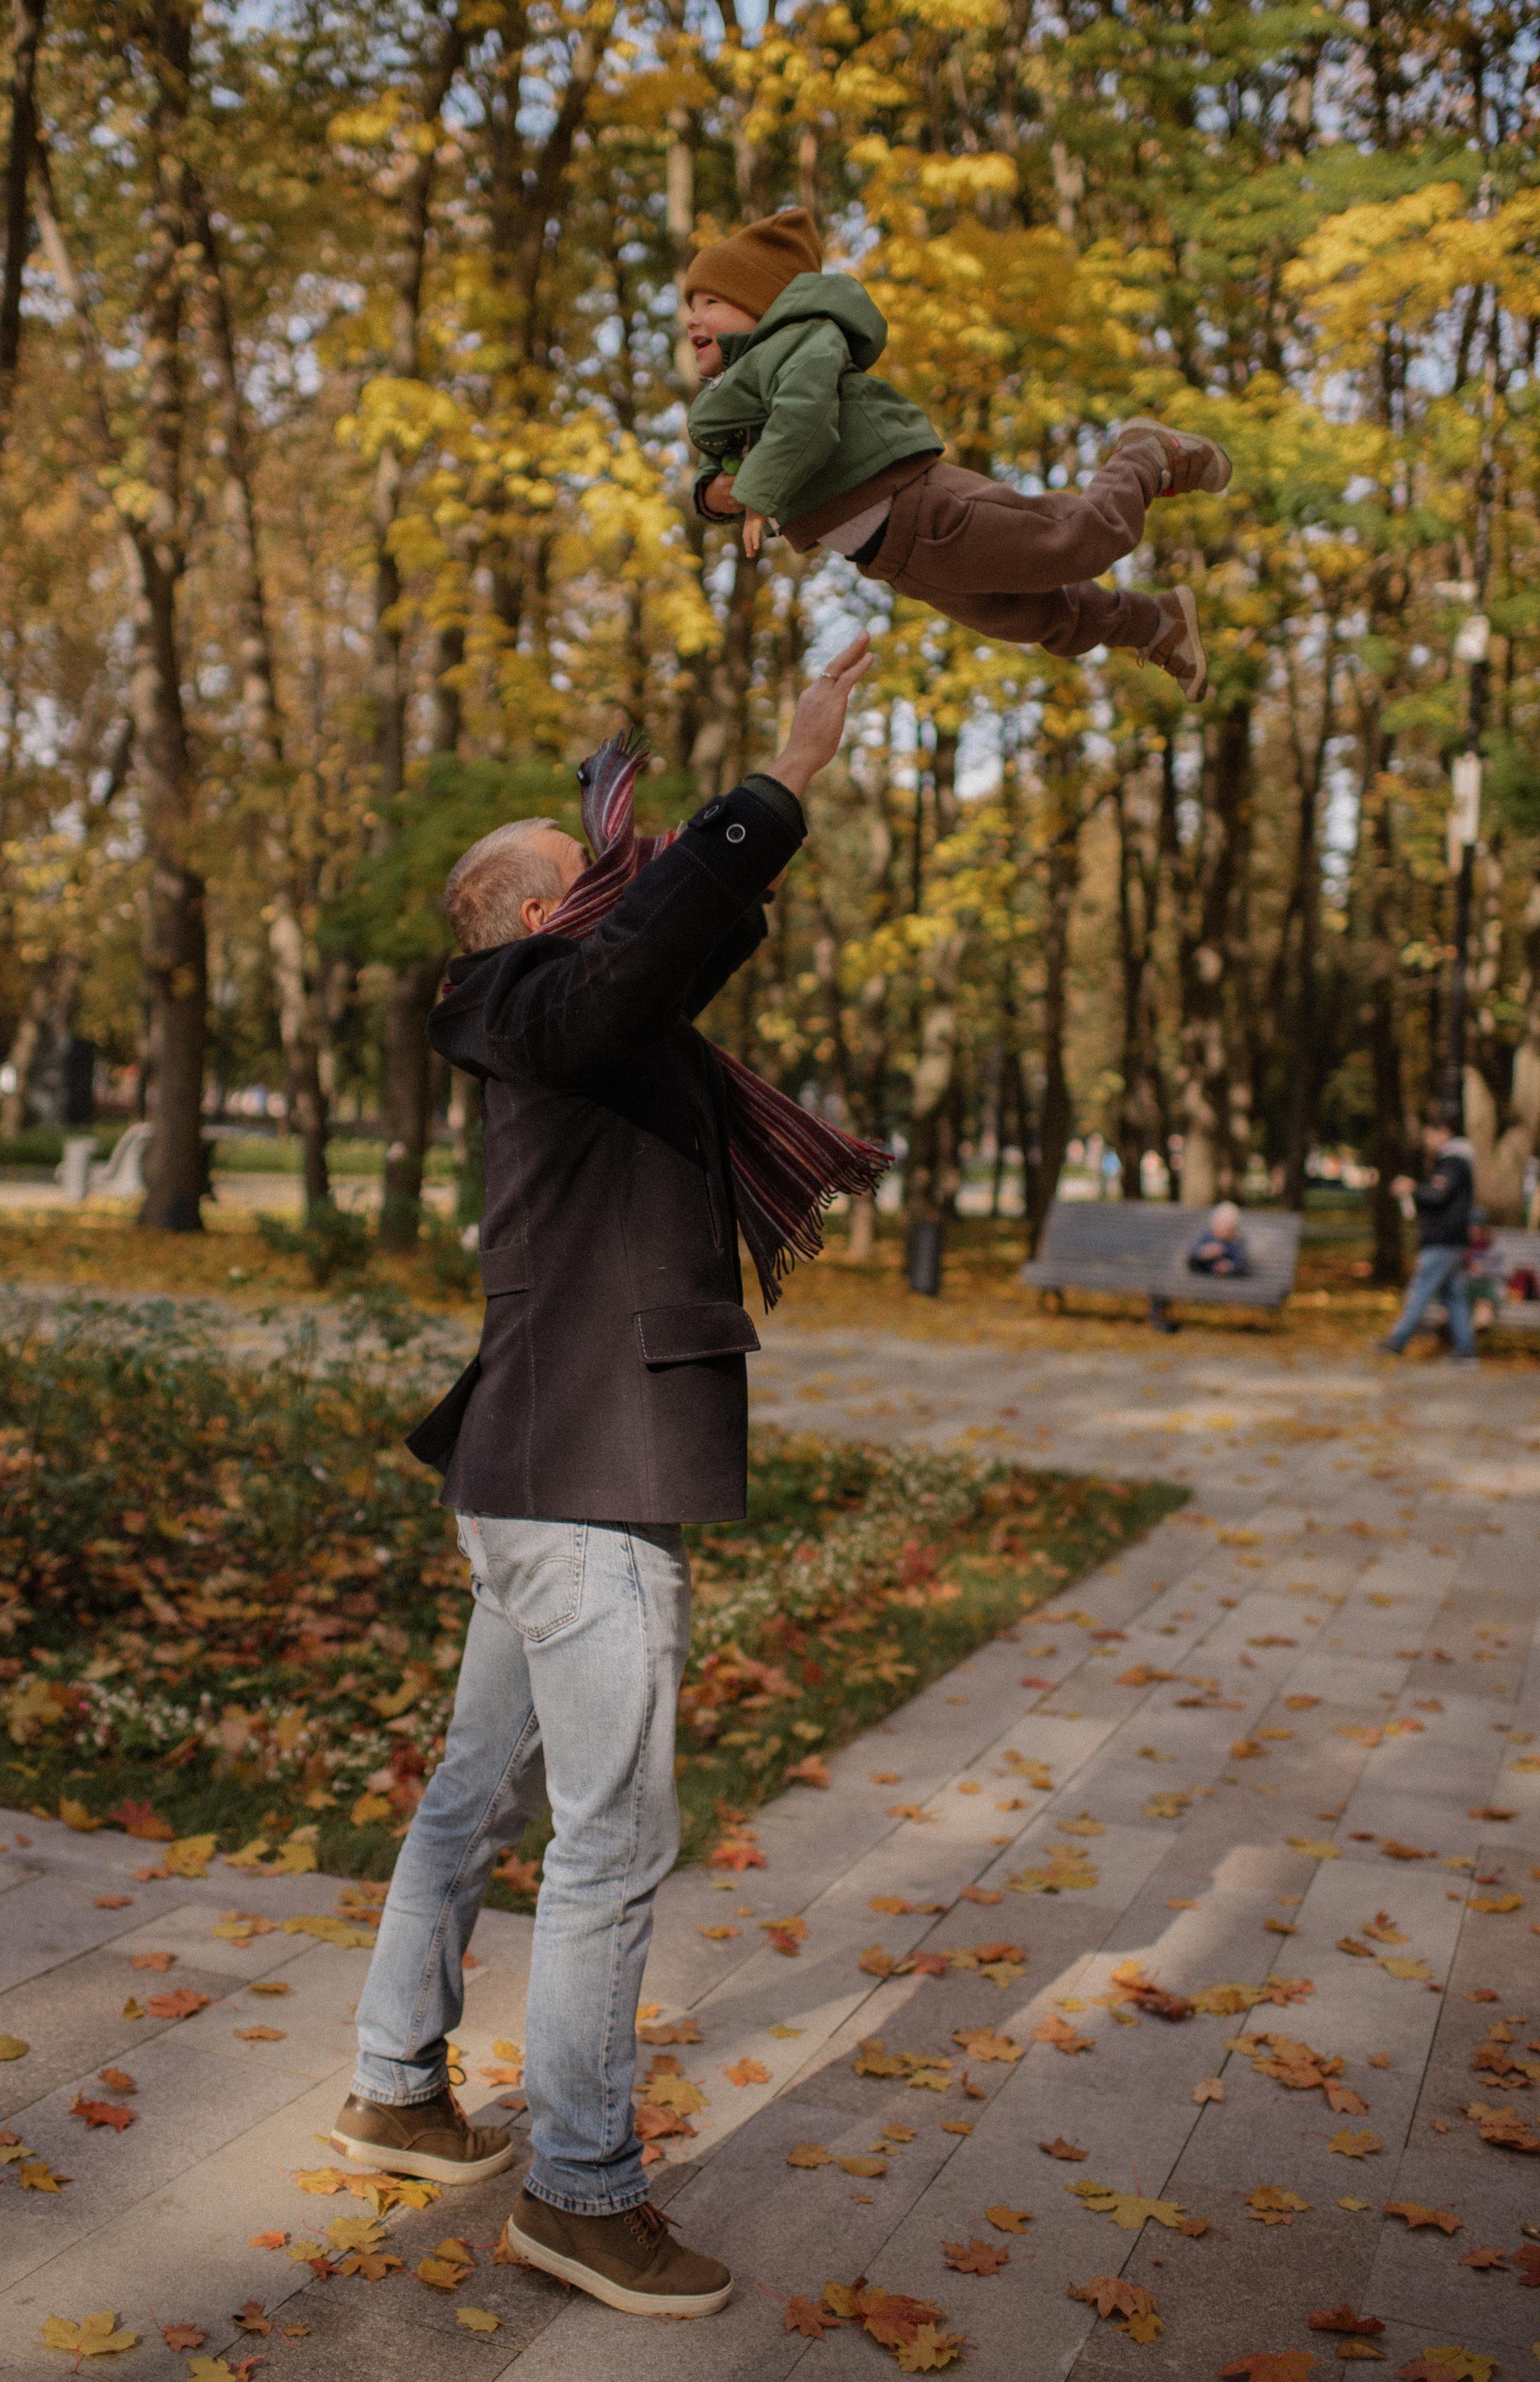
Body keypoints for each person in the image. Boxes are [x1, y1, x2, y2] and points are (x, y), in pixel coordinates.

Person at [330, 637, 872, 2323]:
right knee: (609, 1839)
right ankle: (578, 2188)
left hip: (538, 1460)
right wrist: (773, 786)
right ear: (516, 913)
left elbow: (639, 969)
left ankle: (394, 2085)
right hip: (578, 1476)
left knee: (474, 1793)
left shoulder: (563, 1017)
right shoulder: (527, 999)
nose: (621, 887)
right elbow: (633, 960)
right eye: (588, 874)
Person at [684, 207, 1231, 700]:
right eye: (688, 305)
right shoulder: (733, 395)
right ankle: (1155, 624)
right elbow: (720, 464)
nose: (692, 317)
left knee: (1076, 540)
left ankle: (1147, 455)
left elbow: (805, 421)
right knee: (1033, 616)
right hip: (894, 559)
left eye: (710, 302)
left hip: (924, 508)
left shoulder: (801, 341)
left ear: (763, 303)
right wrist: (714, 493)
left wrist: (754, 491)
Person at [1378, 1114, 1477, 1359]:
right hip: (1452, 1239)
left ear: (1443, 1132)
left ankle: (1397, 1341)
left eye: (1429, 1135)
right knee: (1454, 1297)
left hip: (1442, 1240)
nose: (1427, 1142)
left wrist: (1412, 1189)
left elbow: (1438, 1195)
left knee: (1421, 1290)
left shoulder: (1452, 1163)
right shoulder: (1455, 1162)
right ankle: (1466, 1351)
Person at [1187, 1201, 1249, 1277]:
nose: (1223, 1232)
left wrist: (1230, 1267)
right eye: (1220, 1226)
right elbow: (1193, 1253)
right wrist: (1204, 1252)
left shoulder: (1236, 1243)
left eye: (1228, 1229)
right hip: (1204, 1277)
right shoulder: (1207, 1237)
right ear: (1213, 1225)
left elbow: (1242, 1262)